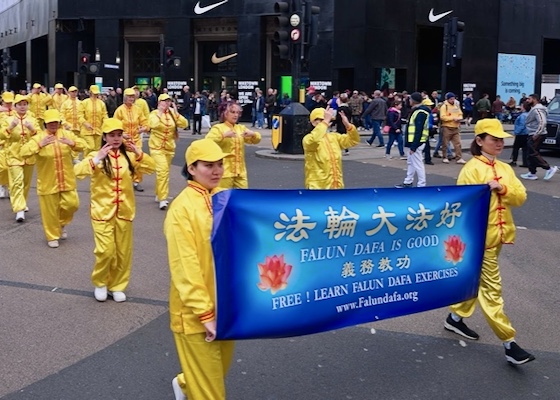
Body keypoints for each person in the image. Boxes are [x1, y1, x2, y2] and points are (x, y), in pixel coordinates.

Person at [444, 118, 535, 366]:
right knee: (492, 289)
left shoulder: (505, 169)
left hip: (498, 239)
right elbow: (461, 205)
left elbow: (520, 197)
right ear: (479, 140)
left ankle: (455, 318)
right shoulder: (471, 169)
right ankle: (509, 342)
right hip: (479, 242)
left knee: (475, 281)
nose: (499, 143)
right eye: (493, 139)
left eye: (501, 139)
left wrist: (502, 188)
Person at [164, 138, 234, 400]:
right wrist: (205, 314)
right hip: (196, 314)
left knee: (216, 370)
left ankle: (185, 383)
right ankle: (191, 385)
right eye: (208, 165)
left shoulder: (223, 199)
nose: (216, 170)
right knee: (211, 393)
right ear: (191, 168)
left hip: (225, 306)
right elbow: (185, 267)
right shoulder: (181, 209)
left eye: (219, 164)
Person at [74, 118, 155, 303]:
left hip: (124, 210)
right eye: (112, 135)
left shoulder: (129, 156)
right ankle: (100, 282)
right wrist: (96, 159)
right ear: (104, 137)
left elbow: (152, 168)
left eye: (119, 135)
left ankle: (117, 285)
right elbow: (78, 172)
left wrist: (139, 152)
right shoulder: (97, 156)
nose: (116, 139)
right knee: (105, 250)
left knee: (123, 252)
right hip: (102, 211)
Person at [20, 109, 85, 248]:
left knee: (72, 204)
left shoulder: (66, 134)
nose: (53, 125)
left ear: (59, 122)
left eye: (55, 122)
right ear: (45, 124)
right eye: (50, 123)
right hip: (48, 182)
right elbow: (23, 152)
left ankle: (61, 223)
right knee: (49, 212)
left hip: (67, 179)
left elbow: (84, 145)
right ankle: (52, 236)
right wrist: (39, 145)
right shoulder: (39, 137)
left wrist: (72, 143)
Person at [0, 94, 40, 222]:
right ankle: (19, 209)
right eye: (20, 105)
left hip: (28, 155)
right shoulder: (7, 119)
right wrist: (10, 127)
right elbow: (1, 135)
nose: (23, 107)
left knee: (26, 183)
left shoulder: (32, 119)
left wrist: (31, 129)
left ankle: (22, 202)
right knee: (17, 182)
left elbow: (39, 136)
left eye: (25, 104)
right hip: (14, 155)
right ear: (15, 106)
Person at [205, 102, 261, 189]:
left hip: (240, 172)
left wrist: (253, 134)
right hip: (225, 172)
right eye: (233, 112)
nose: (236, 115)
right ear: (225, 113)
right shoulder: (218, 128)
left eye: (237, 113)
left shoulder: (240, 128)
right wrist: (223, 136)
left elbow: (256, 140)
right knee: (223, 198)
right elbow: (207, 141)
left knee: (242, 198)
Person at [303, 107, 360, 189]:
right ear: (314, 122)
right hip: (318, 188)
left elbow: (353, 141)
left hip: (336, 186)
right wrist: (325, 121)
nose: (328, 123)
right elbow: (315, 139)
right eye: (325, 120)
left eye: (330, 121)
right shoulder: (308, 139)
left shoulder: (334, 137)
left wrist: (348, 126)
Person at [148, 93, 188, 210]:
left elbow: (184, 124)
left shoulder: (172, 114)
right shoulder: (154, 114)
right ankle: (163, 198)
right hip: (156, 147)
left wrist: (176, 113)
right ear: (159, 102)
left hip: (169, 148)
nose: (167, 103)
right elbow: (153, 124)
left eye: (168, 101)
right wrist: (160, 113)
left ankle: (158, 193)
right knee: (162, 171)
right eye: (164, 101)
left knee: (164, 172)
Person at [113, 88, 150, 192]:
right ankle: (123, 181)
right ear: (124, 97)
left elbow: (145, 122)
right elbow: (115, 125)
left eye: (133, 97)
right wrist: (122, 135)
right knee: (123, 162)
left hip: (136, 140)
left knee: (138, 160)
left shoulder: (138, 110)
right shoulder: (119, 110)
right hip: (123, 141)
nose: (131, 99)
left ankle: (136, 181)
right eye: (129, 97)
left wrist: (143, 128)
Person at [395, 92, 430, 188]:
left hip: (416, 142)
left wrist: (414, 146)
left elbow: (418, 130)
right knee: (411, 162)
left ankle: (421, 185)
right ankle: (408, 181)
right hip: (413, 142)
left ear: (413, 101)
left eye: (410, 99)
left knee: (418, 164)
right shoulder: (417, 111)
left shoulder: (420, 112)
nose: (409, 101)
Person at [520, 94, 557, 180]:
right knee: (530, 153)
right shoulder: (535, 109)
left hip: (536, 134)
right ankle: (532, 173)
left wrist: (537, 134)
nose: (527, 101)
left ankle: (549, 168)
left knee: (532, 153)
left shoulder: (537, 109)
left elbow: (542, 122)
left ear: (535, 99)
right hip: (533, 133)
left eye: (529, 99)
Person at [79, 85, 108, 155]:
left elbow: (104, 115)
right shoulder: (84, 103)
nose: (95, 95)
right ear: (90, 92)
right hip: (87, 130)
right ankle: (86, 161)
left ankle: (96, 163)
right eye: (94, 93)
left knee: (97, 149)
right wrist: (85, 123)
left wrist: (106, 123)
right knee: (90, 147)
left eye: (97, 93)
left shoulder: (101, 103)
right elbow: (79, 116)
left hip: (98, 130)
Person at [439, 92, 466, 164]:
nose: (453, 100)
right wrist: (453, 118)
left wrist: (459, 118)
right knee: (445, 143)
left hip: (455, 127)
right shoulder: (444, 106)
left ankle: (459, 158)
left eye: (453, 98)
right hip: (447, 127)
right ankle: (445, 157)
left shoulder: (456, 105)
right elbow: (442, 117)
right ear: (447, 99)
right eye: (451, 99)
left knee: (458, 143)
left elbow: (460, 114)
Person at [60, 86, 84, 164]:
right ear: (69, 93)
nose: (74, 93)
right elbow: (61, 115)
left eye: (75, 92)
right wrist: (65, 123)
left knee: (76, 142)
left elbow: (83, 114)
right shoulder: (65, 103)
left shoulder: (80, 103)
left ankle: (75, 157)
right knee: (67, 142)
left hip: (78, 126)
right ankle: (67, 156)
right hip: (68, 127)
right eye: (72, 92)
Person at [509, 102, 530, 167]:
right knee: (525, 149)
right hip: (527, 133)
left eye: (521, 106)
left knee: (516, 148)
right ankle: (525, 162)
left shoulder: (522, 116)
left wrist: (516, 132)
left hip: (521, 134)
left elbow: (521, 125)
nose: (520, 107)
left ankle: (514, 161)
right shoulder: (529, 115)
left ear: (524, 107)